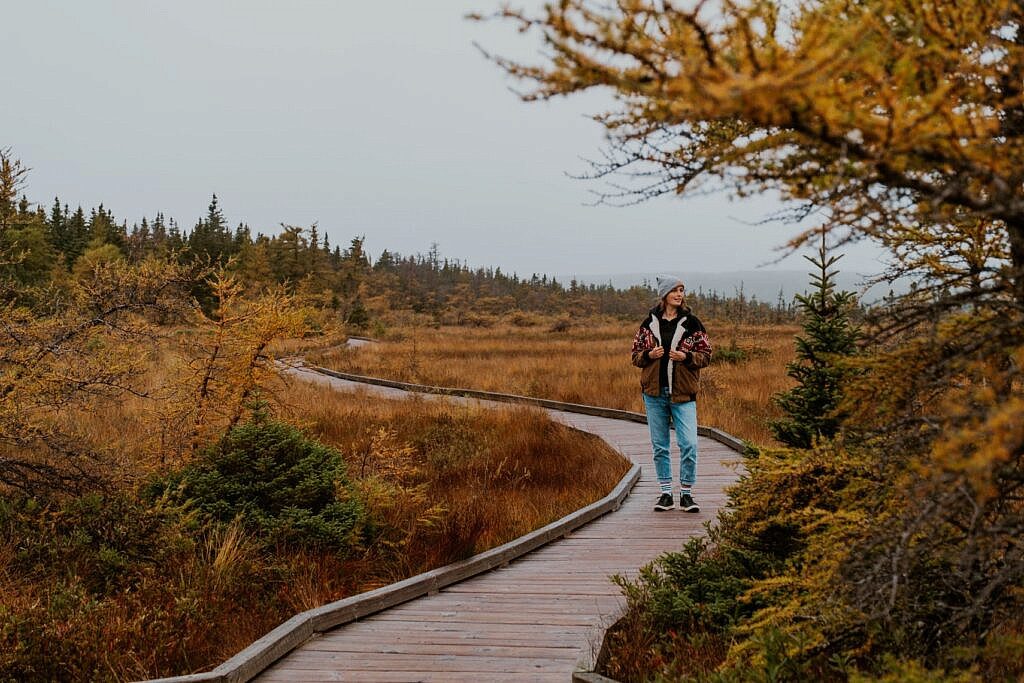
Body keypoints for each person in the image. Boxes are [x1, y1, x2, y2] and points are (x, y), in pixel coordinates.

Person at [630, 275, 713, 512]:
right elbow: (635, 355)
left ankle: (686, 494)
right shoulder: (649, 324)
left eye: (682, 290)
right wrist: (649, 355)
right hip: (654, 394)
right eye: (675, 290)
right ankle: (666, 494)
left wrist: (686, 357)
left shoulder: (692, 324)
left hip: (683, 394)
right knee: (660, 446)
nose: (679, 294)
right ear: (664, 294)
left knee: (689, 444)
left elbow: (706, 355)